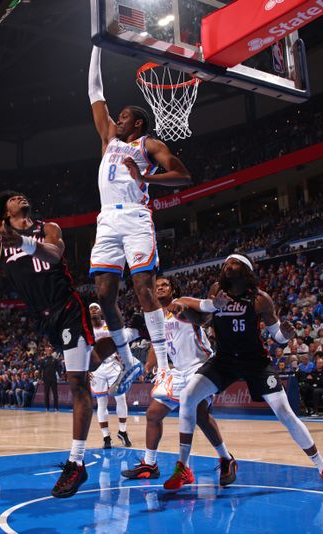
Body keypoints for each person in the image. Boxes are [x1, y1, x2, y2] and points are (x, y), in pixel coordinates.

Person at [0, 121, 119, 498]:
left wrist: (26, 242)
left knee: (78, 385)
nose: (19, 197)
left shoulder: (49, 228)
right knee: (83, 374)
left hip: (68, 306)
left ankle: (76, 463)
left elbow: (56, 254)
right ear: (4, 213)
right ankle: (124, 350)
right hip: (46, 321)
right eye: (11, 198)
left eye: (21, 195)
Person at [174, 254, 323, 493]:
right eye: (225, 265)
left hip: (256, 363)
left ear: (246, 271)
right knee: (188, 397)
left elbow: (277, 337)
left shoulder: (260, 299)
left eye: (233, 264)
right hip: (224, 360)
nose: (228, 266)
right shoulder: (216, 290)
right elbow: (202, 318)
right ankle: (183, 466)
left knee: (285, 412)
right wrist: (184, 313)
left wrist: (286, 334)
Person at [87, 46, 192, 397]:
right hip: (106, 220)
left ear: (139, 123)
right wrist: (96, 47)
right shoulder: (109, 141)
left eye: (124, 117)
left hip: (135, 217)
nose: (117, 120)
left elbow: (183, 174)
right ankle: (129, 360)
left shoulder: (149, 144)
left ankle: (164, 370)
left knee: (144, 288)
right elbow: (94, 92)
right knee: (104, 294)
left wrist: (147, 179)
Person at [122, 276, 237, 485]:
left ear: (173, 289)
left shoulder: (182, 302)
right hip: (178, 371)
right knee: (153, 414)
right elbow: (157, 345)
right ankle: (150, 464)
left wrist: (205, 307)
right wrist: (148, 365)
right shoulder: (157, 317)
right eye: (156, 286)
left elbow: (205, 310)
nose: (160, 288)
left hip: (200, 366)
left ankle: (226, 459)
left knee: (201, 414)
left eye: (164, 285)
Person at [88, 303, 133, 448]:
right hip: (96, 369)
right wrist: (85, 368)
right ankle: (106, 437)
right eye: (91, 309)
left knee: (121, 398)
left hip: (113, 364)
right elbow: (83, 350)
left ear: (101, 311)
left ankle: (123, 431)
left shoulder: (109, 326)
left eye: (96, 308)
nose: (94, 310)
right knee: (102, 402)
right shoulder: (86, 329)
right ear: (89, 313)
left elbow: (122, 342)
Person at [38, 345, 60, 411]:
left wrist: (60, 376)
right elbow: (40, 370)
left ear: (51, 351)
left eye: (50, 350)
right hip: (46, 379)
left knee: (55, 394)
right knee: (46, 394)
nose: (49, 351)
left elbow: (58, 369)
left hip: (53, 379)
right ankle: (47, 408)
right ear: (46, 351)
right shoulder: (43, 360)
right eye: (48, 350)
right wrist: (39, 378)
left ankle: (56, 407)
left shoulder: (54, 360)